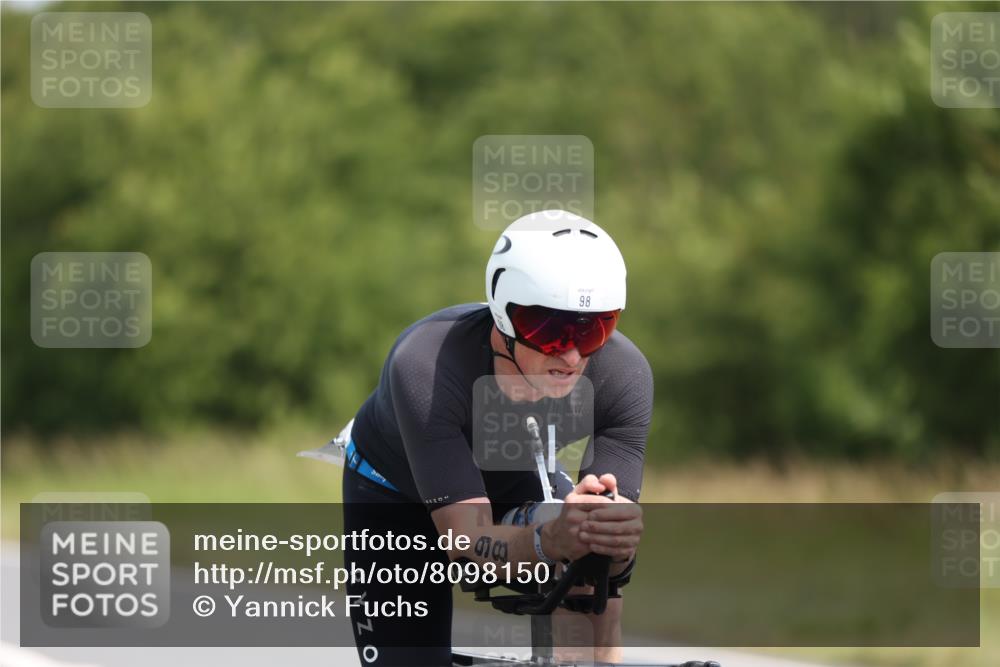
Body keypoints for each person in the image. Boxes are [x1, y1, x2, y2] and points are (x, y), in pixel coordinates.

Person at [341, 209, 652, 666]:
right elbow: (468, 545)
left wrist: (609, 543)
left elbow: (606, 564)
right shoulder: (426, 365)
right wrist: (551, 542)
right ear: (504, 314)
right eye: (548, 330)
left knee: (590, 542)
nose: (570, 355)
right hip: (394, 493)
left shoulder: (623, 374)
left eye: (593, 329)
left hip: (511, 476)